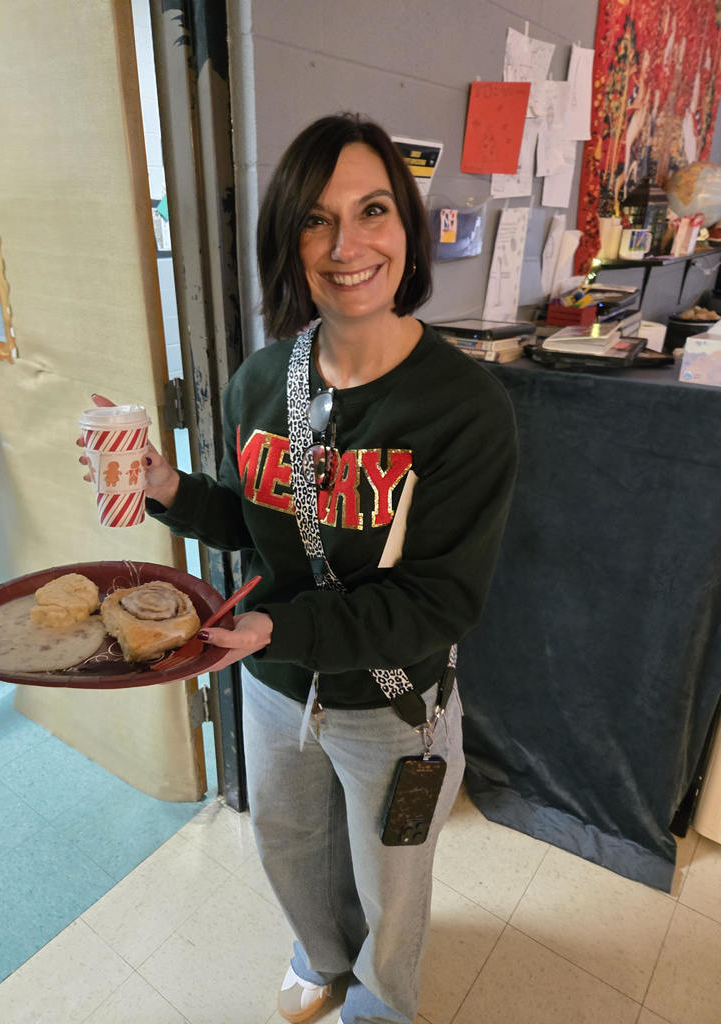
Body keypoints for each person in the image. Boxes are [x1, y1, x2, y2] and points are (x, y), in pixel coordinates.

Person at [81, 113, 517, 1024]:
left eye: (372, 211)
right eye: (317, 219)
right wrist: (164, 487)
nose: (347, 244)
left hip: (393, 704)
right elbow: (253, 520)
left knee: (393, 879)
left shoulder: (462, 407)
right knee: (289, 846)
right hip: (274, 685)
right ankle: (322, 957)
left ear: (407, 227)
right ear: (288, 239)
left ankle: (383, 1002)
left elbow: (440, 599)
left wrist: (280, 625)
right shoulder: (259, 381)